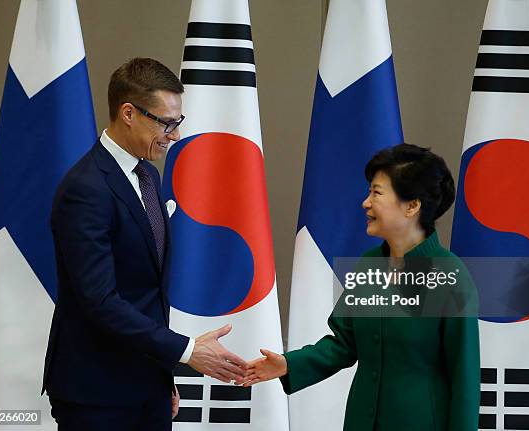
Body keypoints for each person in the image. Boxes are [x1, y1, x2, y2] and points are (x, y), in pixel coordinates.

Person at [42, 58, 246, 431]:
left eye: (177, 122)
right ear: (129, 113)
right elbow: (100, 301)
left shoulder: (148, 176)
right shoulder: (85, 189)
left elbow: (146, 292)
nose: (175, 135)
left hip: (146, 385)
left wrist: (161, 377)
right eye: (166, 123)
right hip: (96, 394)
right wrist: (187, 351)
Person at [243, 144, 481, 430]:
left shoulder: (449, 274)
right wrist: (289, 364)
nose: (366, 203)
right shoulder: (370, 264)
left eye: (377, 193)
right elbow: (344, 344)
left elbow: (464, 377)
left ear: (412, 206)